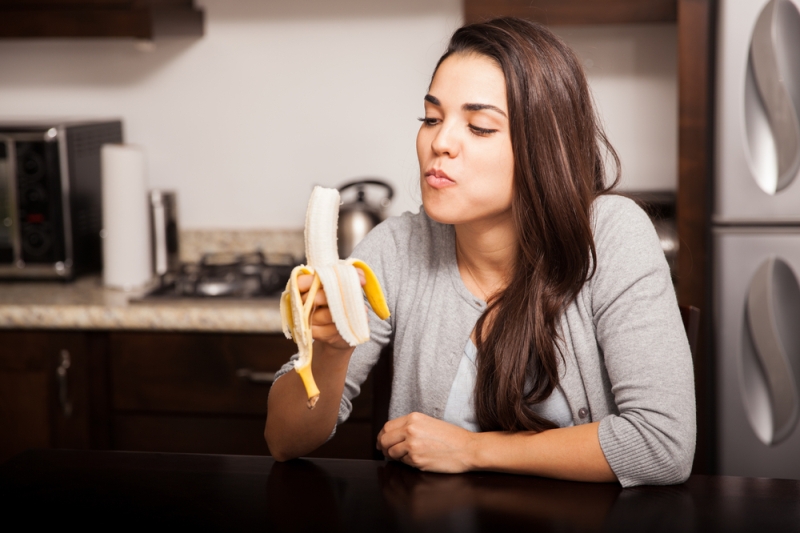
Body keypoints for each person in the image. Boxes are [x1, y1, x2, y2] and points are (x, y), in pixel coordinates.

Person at [264, 17, 696, 488]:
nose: (440, 143)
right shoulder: (396, 247)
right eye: (431, 119)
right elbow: (285, 442)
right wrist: (330, 351)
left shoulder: (611, 234)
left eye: (480, 126)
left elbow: (662, 446)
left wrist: (471, 449)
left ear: (543, 147)